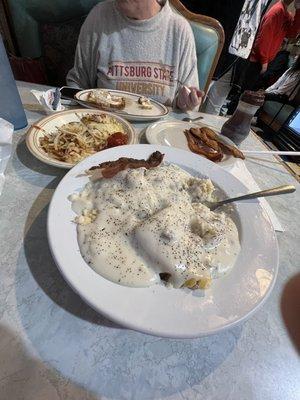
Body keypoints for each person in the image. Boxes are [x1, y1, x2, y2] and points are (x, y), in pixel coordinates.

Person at [67, 0, 203, 111]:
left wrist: (185, 102)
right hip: (105, 133)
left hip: (156, 137)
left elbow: (189, 106)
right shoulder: (99, 17)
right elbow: (78, 82)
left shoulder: (179, 30)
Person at [240, 0, 300, 92]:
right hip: (257, 60)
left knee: (246, 92)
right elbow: (263, 38)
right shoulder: (277, 11)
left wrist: (298, 11)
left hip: (263, 60)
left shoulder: (285, 13)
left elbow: (292, 34)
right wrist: (264, 62)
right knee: (244, 92)